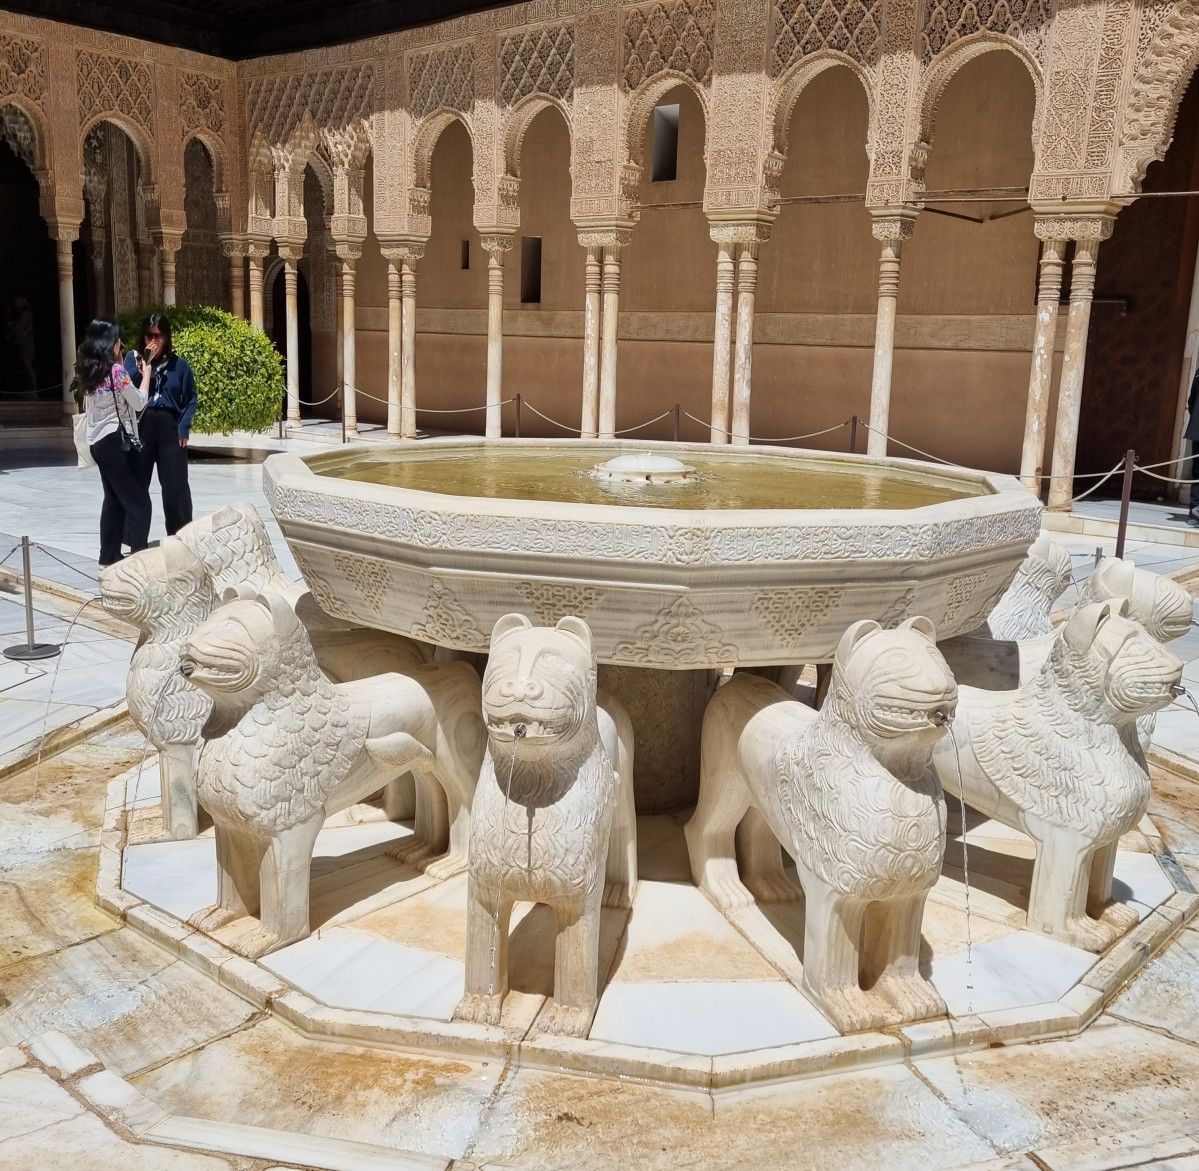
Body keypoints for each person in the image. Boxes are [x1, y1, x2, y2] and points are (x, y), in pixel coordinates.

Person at [78, 319, 153, 567]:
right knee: (139, 502)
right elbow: (139, 401)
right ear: (111, 343)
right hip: (116, 442)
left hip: (99, 443)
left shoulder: (90, 372)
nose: (122, 343)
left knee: (113, 500)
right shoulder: (117, 372)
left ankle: (108, 555)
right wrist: (147, 375)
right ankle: (140, 559)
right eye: (118, 339)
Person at [124, 312, 197, 535]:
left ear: (167, 338)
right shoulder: (132, 360)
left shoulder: (180, 365)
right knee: (137, 482)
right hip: (143, 426)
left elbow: (191, 398)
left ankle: (180, 534)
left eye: (159, 337)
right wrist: (144, 365)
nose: (153, 342)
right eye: (149, 336)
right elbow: (128, 393)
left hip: (170, 429)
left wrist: (184, 426)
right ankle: (134, 538)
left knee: (175, 486)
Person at [7, 296, 35, 394]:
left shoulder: (25, 313)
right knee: (27, 367)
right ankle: (31, 389)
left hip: (26, 344)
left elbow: (19, 328)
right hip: (27, 343)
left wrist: (12, 327)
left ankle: (34, 390)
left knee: (28, 366)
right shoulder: (27, 313)